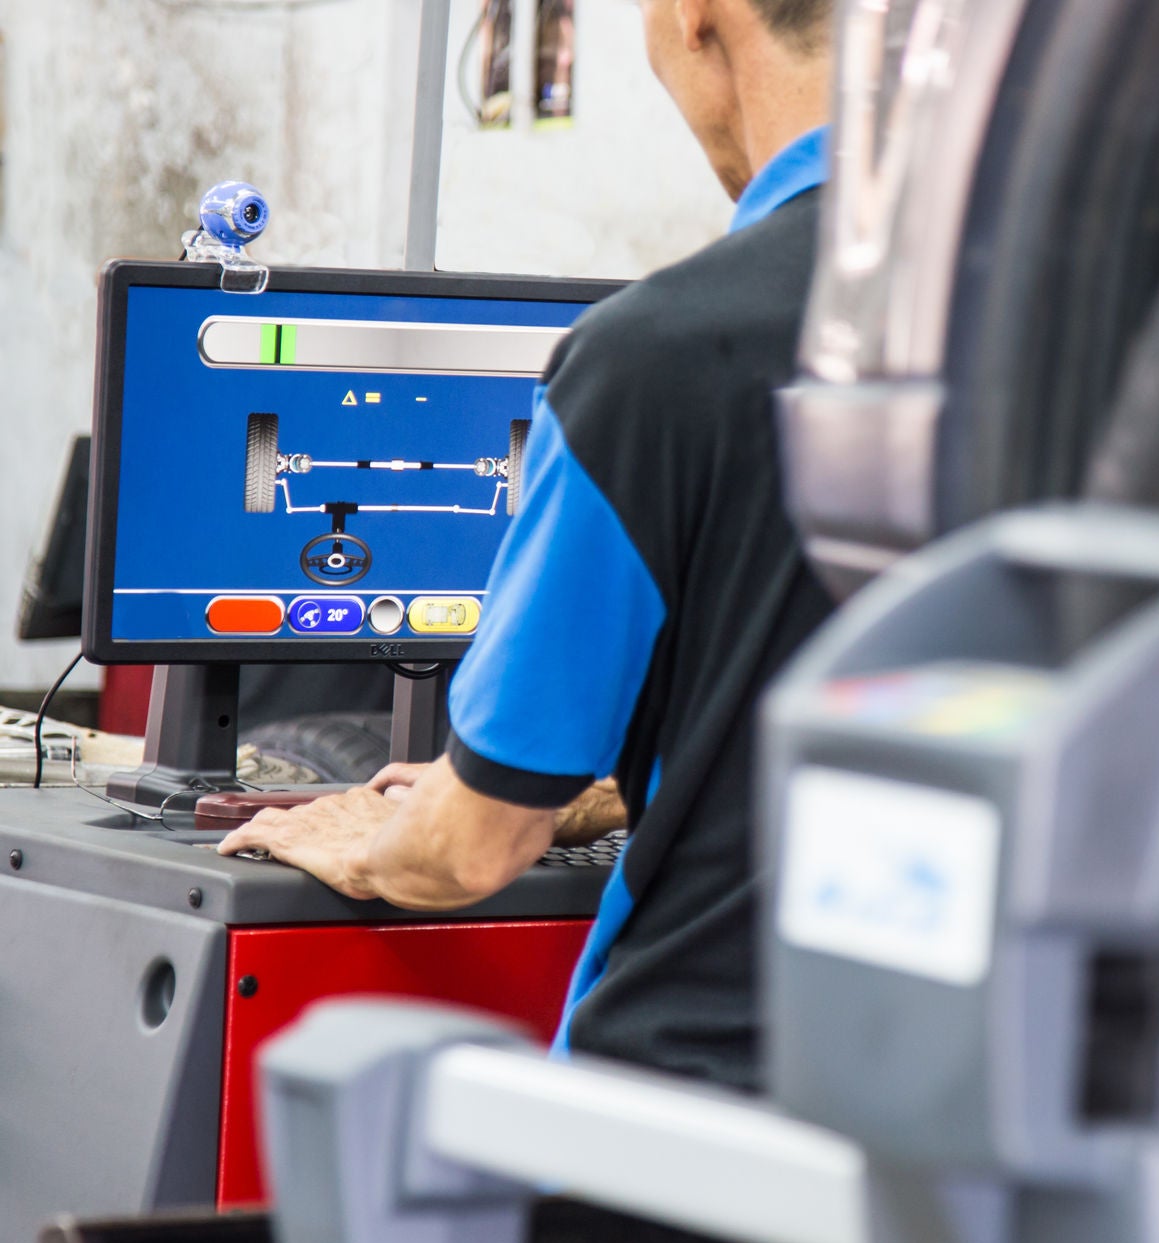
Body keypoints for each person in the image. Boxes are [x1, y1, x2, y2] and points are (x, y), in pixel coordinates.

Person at [219, 0, 839, 1090]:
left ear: (697, 17)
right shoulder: (1080, 317)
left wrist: (355, 834)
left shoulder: (658, 359)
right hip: (1001, 1121)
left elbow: (471, 851)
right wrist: (603, 789)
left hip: (703, 1104)